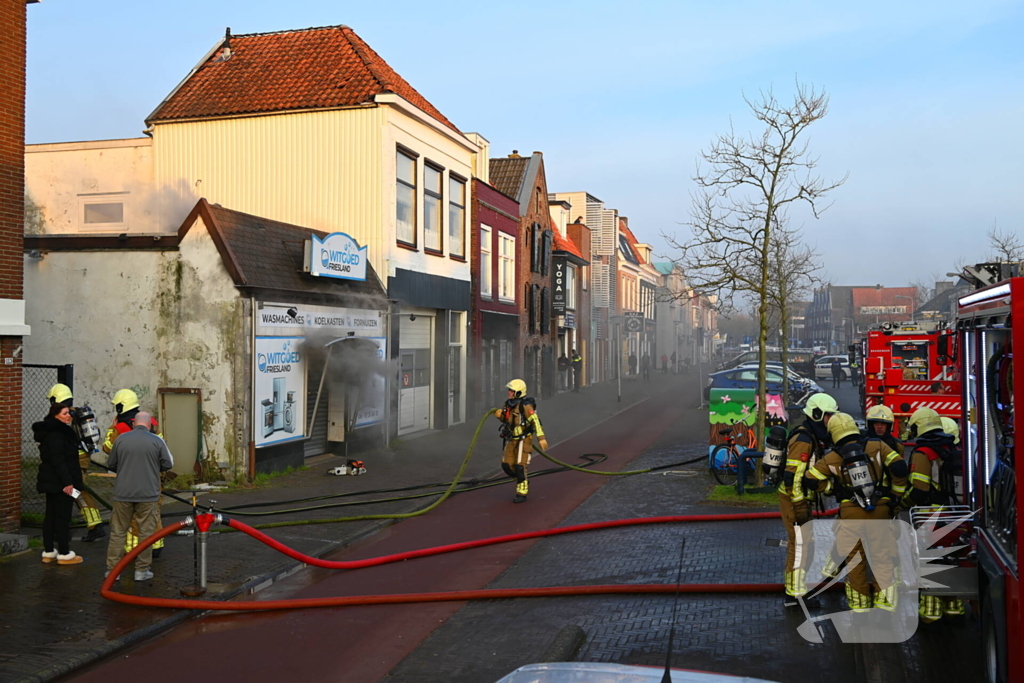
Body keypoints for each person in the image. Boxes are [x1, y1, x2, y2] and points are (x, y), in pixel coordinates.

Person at [804, 413, 908, 613]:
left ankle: (860, 608)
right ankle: (885, 607)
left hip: (850, 514)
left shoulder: (833, 457)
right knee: (881, 557)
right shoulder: (877, 446)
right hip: (879, 510)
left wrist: (832, 489)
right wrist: (894, 497)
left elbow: (810, 478)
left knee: (854, 560)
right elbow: (900, 468)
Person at [903, 407, 965, 623]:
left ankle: (930, 612)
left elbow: (920, 490)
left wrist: (903, 503)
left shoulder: (923, 454)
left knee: (928, 562)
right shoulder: (951, 448)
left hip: (930, 517)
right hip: (956, 513)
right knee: (950, 559)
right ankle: (955, 607)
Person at [778, 392, 838, 607]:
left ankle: (795, 590)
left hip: (799, 498)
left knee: (804, 545)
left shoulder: (812, 436)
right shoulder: (804, 440)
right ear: (817, 414)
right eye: (828, 416)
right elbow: (792, 477)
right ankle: (795, 596)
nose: (831, 421)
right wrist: (800, 506)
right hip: (794, 499)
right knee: (800, 546)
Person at [103, 389, 171, 558]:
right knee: (153, 511)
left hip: (131, 478)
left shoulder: (120, 428)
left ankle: (134, 549)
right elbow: (163, 449)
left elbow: (108, 449)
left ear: (121, 406)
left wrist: (112, 428)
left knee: (133, 515)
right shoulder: (151, 423)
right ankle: (156, 545)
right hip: (153, 476)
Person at [46, 383, 106, 542]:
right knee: (76, 492)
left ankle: (94, 526)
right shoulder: (77, 413)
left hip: (72, 460)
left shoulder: (63, 416)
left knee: (76, 493)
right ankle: (93, 525)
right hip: (81, 457)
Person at [34, 403, 85, 565]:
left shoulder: (48, 433)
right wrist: (68, 482)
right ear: (56, 415)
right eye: (64, 413)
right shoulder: (59, 434)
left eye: (69, 413)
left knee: (51, 516)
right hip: (61, 482)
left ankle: (49, 551)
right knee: (62, 517)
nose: (68, 416)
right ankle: (64, 553)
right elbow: (59, 460)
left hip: (51, 481)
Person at [493, 379, 547, 504]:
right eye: (509, 390)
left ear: (518, 392)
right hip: (511, 439)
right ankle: (521, 480)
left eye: (512, 390)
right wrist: (499, 415)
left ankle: (521, 492)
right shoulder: (507, 404)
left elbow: (536, 421)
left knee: (519, 465)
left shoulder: (525, 406)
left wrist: (541, 438)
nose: (509, 392)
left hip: (524, 439)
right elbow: (506, 420)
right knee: (506, 465)